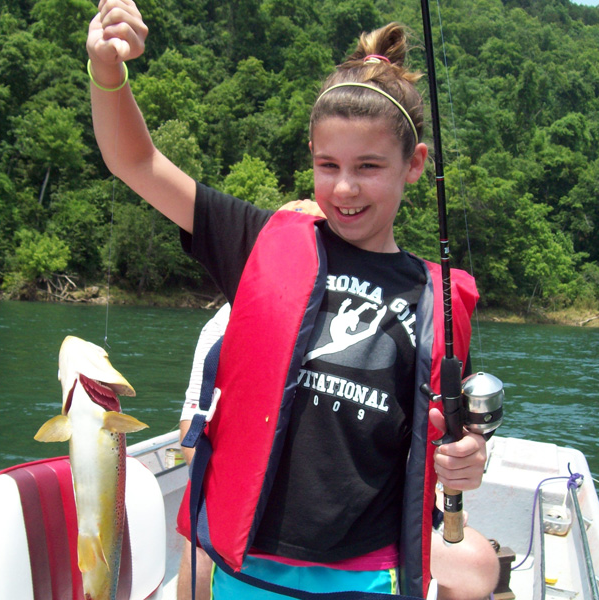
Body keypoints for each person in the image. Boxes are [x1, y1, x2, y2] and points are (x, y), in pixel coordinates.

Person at [86, 3, 499, 598]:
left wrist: (469, 456)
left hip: (367, 572)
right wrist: (107, 71)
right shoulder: (257, 241)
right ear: (310, 156)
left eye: (369, 166)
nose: (345, 187)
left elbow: (451, 437)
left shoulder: (432, 295)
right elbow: (136, 161)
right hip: (247, 566)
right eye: (327, 165)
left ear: (414, 165)